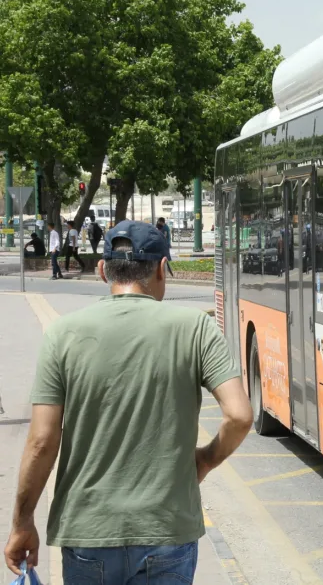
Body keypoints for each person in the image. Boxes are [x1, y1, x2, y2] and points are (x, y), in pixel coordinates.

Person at [3, 220, 254, 583]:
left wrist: (23, 520)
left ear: (103, 270)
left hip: (88, 532)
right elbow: (240, 416)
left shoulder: (62, 334)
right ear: (161, 269)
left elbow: (42, 442)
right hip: (167, 531)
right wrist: (205, 460)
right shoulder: (196, 327)